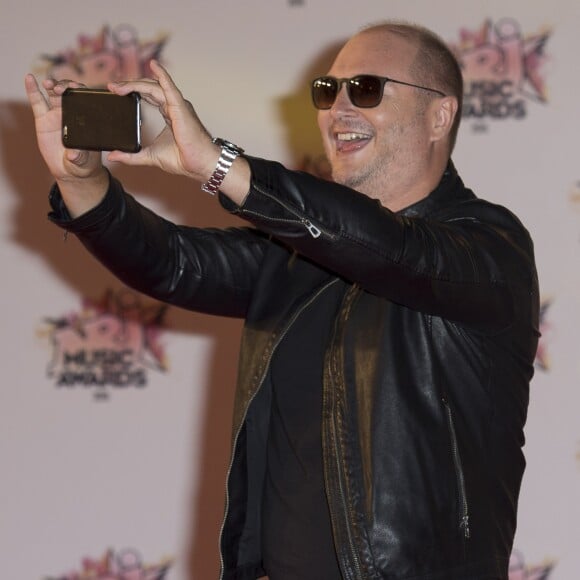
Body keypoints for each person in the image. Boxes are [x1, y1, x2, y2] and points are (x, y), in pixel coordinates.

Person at [26, 20, 539, 580]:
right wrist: (82, 182)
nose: (339, 109)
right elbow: (172, 262)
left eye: (365, 89)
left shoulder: (488, 247)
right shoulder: (293, 256)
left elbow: (395, 251)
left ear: (440, 115)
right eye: (327, 91)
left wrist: (218, 164)